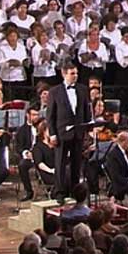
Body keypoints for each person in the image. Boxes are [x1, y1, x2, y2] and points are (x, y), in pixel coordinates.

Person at [47, 63, 94, 198]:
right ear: (64, 74)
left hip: (78, 133)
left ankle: (75, 191)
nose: (75, 76)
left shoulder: (83, 89)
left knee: (76, 163)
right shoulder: (54, 91)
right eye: (72, 73)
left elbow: (86, 111)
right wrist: (52, 134)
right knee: (60, 163)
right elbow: (50, 116)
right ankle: (60, 192)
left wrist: (87, 129)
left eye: (76, 73)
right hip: (61, 133)